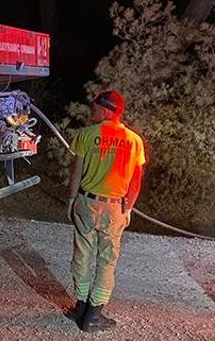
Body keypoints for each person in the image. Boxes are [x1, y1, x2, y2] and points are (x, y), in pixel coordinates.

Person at [65, 90, 146, 332]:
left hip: (86, 203)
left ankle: (80, 307)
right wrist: (129, 207)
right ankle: (93, 315)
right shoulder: (134, 141)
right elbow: (136, 180)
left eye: (97, 108)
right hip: (114, 207)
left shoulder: (86, 135)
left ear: (107, 110)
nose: (94, 112)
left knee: (82, 255)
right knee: (107, 261)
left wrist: (70, 200)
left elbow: (76, 172)